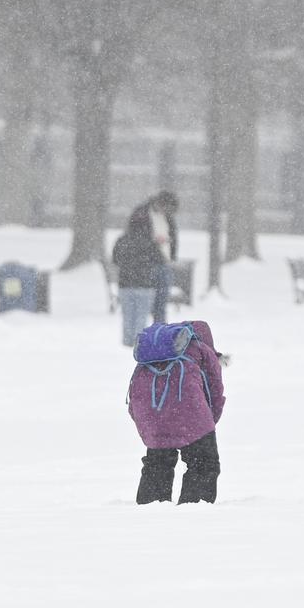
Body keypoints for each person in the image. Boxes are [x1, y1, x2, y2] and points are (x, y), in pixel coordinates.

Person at [127, 319, 224, 505]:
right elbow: (215, 391)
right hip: (191, 413)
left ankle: (150, 508)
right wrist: (209, 423)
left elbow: (135, 395)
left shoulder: (152, 354)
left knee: (158, 462)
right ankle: (192, 509)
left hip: (151, 414)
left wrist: (147, 423)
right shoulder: (202, 349)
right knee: (203, 462)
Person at [110, 203, 166, 348]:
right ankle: (137, 343)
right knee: (141, 316)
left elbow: (115, 260)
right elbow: (160, 261)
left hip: (125, 284)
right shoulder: (150, 242)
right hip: (145, 285)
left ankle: (127, 341)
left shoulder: (122, 240)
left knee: (127, 316)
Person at [147, 189, 182, 322]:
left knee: (161, 303)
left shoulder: (168, 218)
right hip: (149, 263)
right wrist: (153, 243)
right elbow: (138, 239)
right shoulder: (145, 214)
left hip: (165, 263)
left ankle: (160, 330)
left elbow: (173, 236)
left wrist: (172, 255)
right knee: (150, 301)